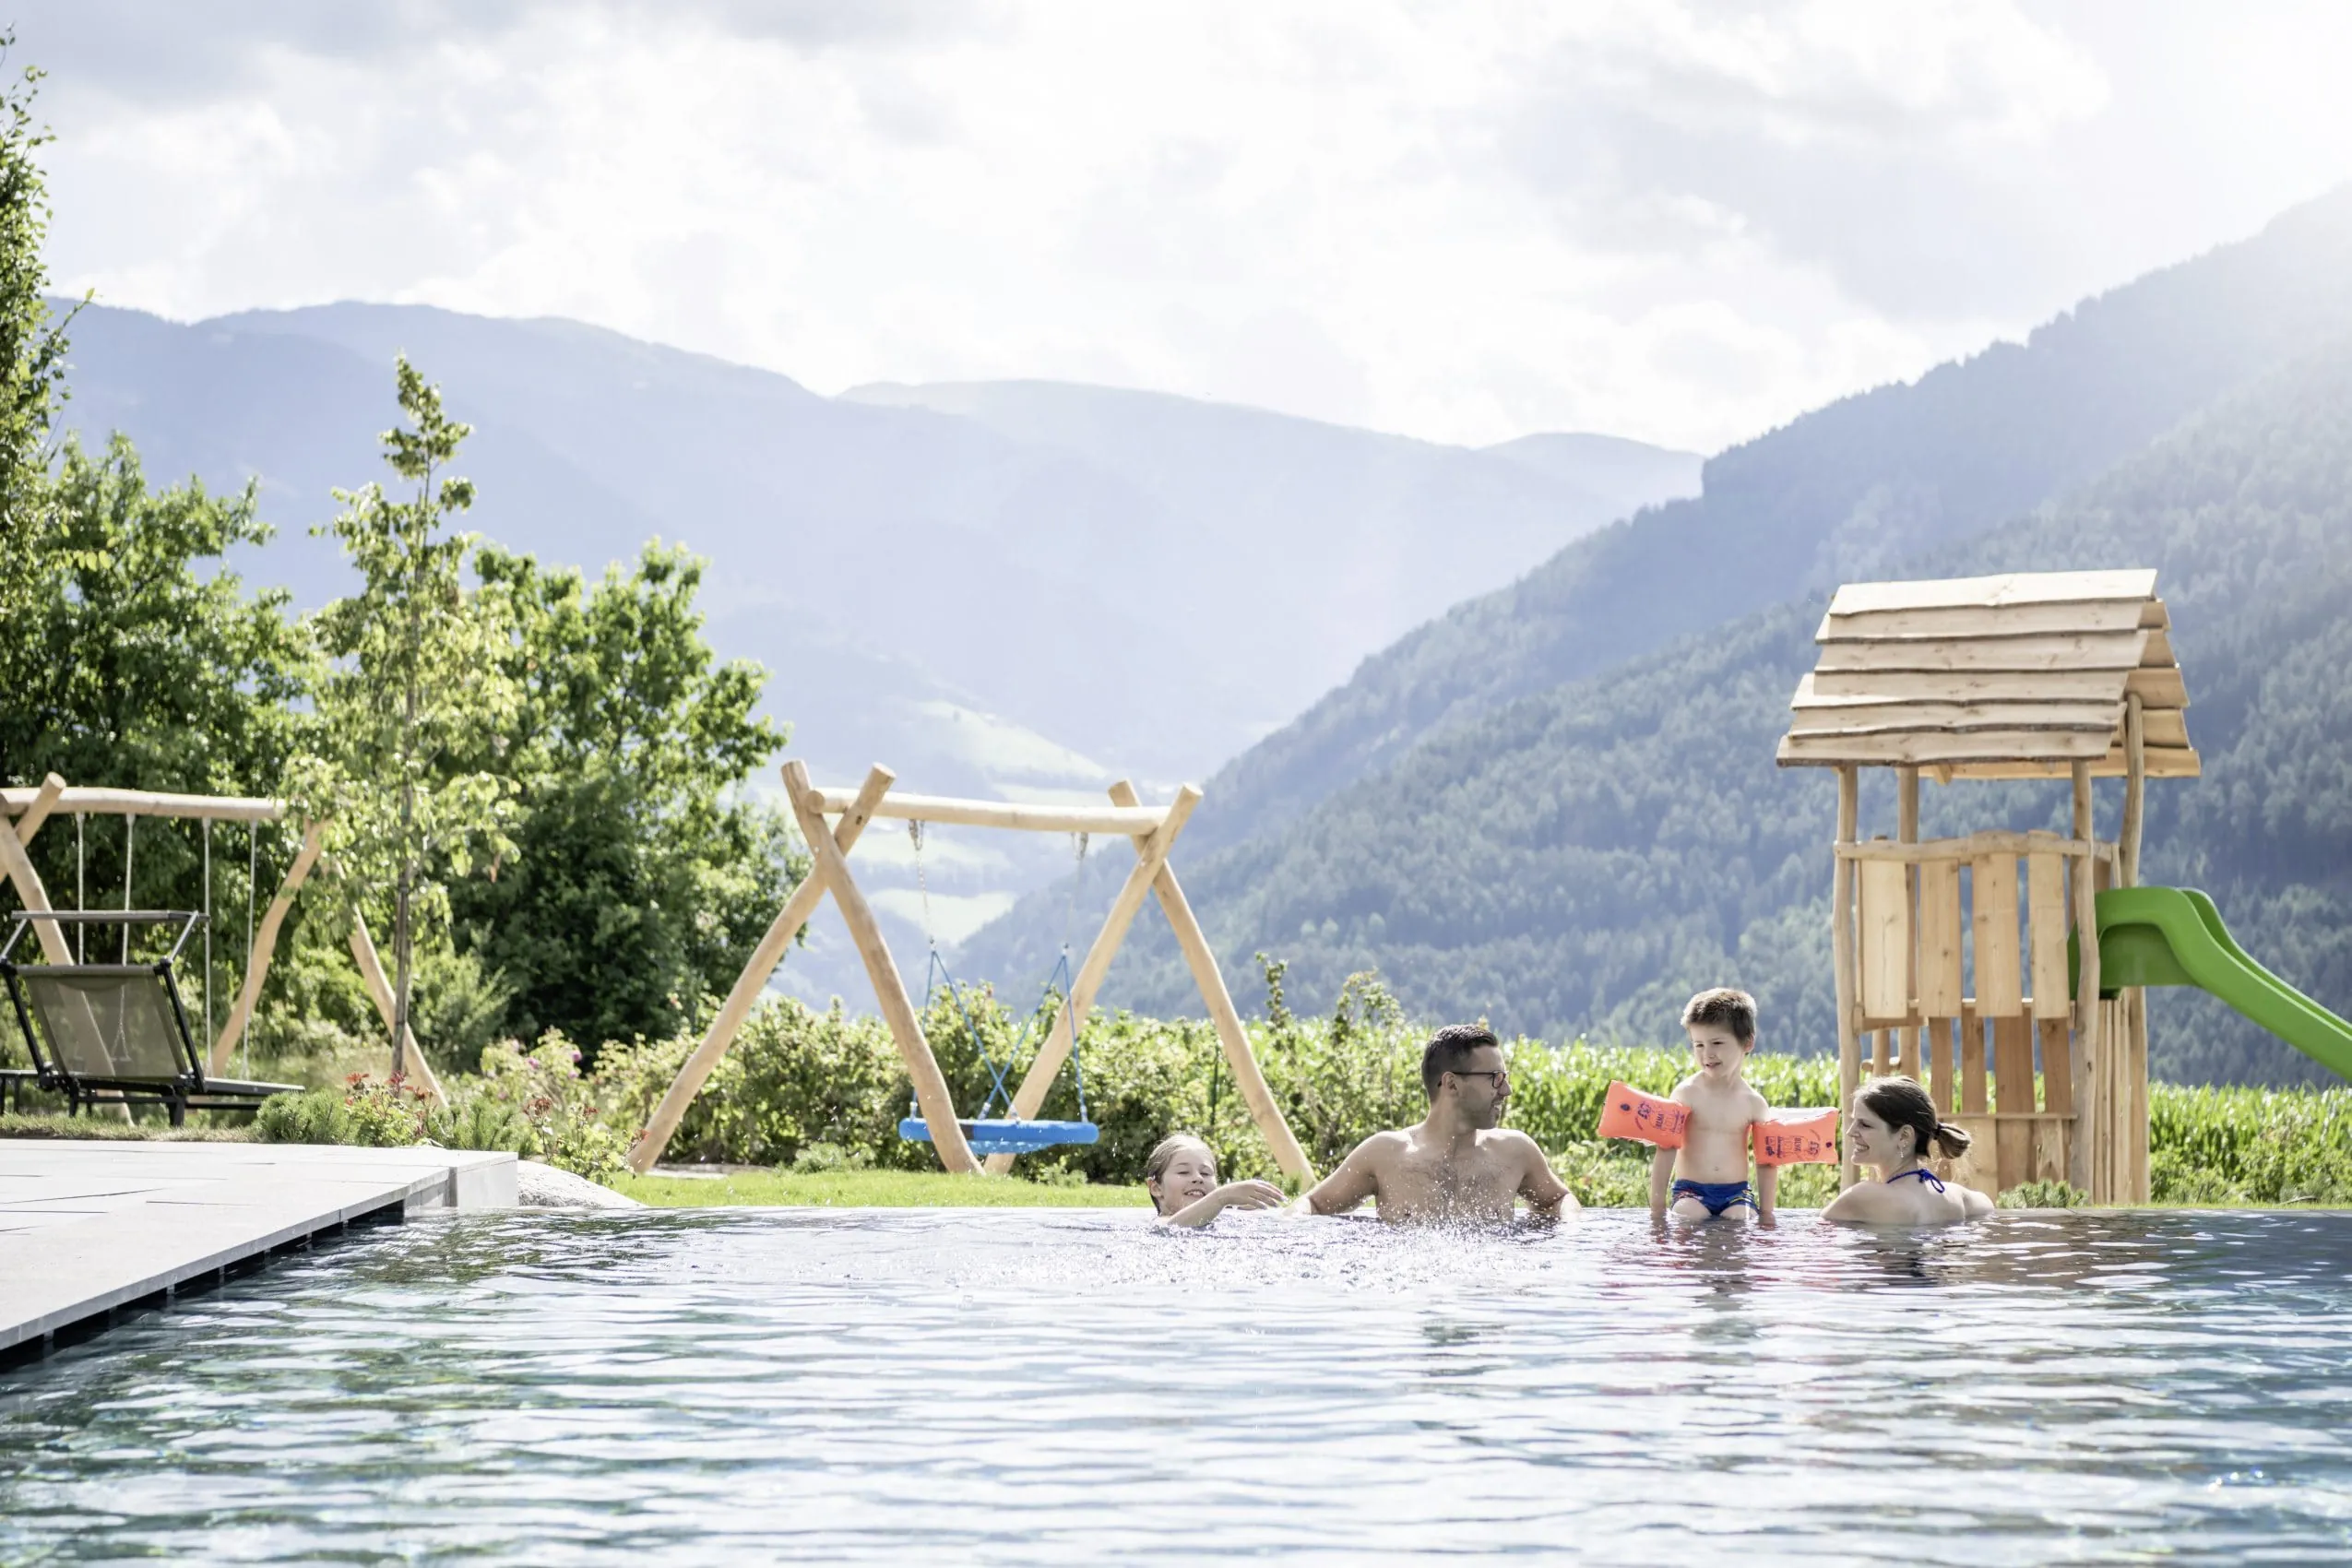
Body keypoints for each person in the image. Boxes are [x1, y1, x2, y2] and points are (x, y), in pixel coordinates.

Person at [1298, 1024, 1577, 1223]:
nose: (1506, 1091)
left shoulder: (1516, 1153)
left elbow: (1559, 1200)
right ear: (1452, 1084)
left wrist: (1572, 1229)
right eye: (1495, 1078)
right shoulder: (1386, 1155)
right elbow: (1313, 1204)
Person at [1650, 988, 1775, 1225]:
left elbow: (1766, 1161)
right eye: (1698, 1045)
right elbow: (1666, 1149)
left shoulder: (1753, 1103)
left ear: (1747, 1042)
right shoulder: (1687, 1094)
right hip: (1691, 1191)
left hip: (1737, 1193)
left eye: (1717, 1042)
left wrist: (1767, 1214)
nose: (1708, 1054)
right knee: (1688, 1214)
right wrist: (1657, 1210)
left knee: (1742, 1220)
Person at [1823, 1075, 1993, 1224]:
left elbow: (1817, 1241)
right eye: (1854, 1121)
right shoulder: (1956, 1196)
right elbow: (1987, 1205)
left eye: (1865, 1124)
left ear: (1904, 1136)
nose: (1850, 1132)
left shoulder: (1862, 1197)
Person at [1145, 1132, 1286, 1228]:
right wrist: (1222, 1197)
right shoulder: (1161, 1223)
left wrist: (1306, 1202)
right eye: (1183, 1172)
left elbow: (1288, 1218)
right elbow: (1171, 1227)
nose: (1198, 1178)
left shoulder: (1224, 1217)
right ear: (1156, 1188)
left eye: (1205, 1173)